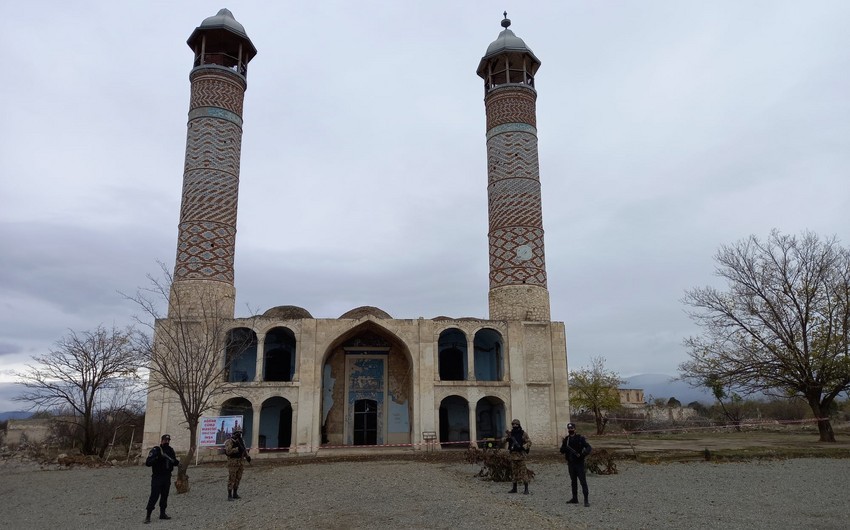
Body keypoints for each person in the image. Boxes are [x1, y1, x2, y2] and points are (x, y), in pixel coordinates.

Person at [144, 434, 179, 523]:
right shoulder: (156, 450)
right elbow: (148, 463)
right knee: (154, 496)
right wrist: (157, 458)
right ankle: (148, 516)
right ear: (162, 440)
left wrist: (175, 462)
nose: (167, 442)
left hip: (167, 476)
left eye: (168, 440)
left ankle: (162, 514)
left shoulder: (170, 450)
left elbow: (174, 461)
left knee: (164, 496)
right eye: (165, 440)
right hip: (157, 477)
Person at [560, 422, 592, 507]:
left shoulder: (580, 438)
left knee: (583, 481)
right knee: (573, 482)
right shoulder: (566, 440)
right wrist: (565, 449)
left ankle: (586, 500)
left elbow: (589, 447)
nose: (570, 430)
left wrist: (583, 454)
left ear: (575, 429)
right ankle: (575, 498)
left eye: (572, 428)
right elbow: (561, 450)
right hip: (571, 464)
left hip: (579, 463)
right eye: (569, 429)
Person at [502, 418, 532, 494]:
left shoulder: (523, 433)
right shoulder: (510, 434)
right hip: (513, 455)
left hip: (521, 456)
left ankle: (526, 489)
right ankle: (514, 488)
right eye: (513, 424)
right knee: (514, 473)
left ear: (519, 425)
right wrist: (507, 438)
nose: (515, 425)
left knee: (523, 472)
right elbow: (502, 440)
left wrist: (523, 447)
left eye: (516, 424)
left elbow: (529, 442)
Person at [224, 429, 251, 500]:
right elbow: (228, 451)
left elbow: (244, 450)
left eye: (240, 433)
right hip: (233, 462)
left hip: (240, 462)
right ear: (234, 434)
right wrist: (236, 449)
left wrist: (247, 456)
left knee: (238, 478)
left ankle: (235, 493)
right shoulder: (229, 441)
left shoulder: (242, 441)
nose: (239, 434)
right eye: (237, 433)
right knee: (232, 478)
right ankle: (229, 495)